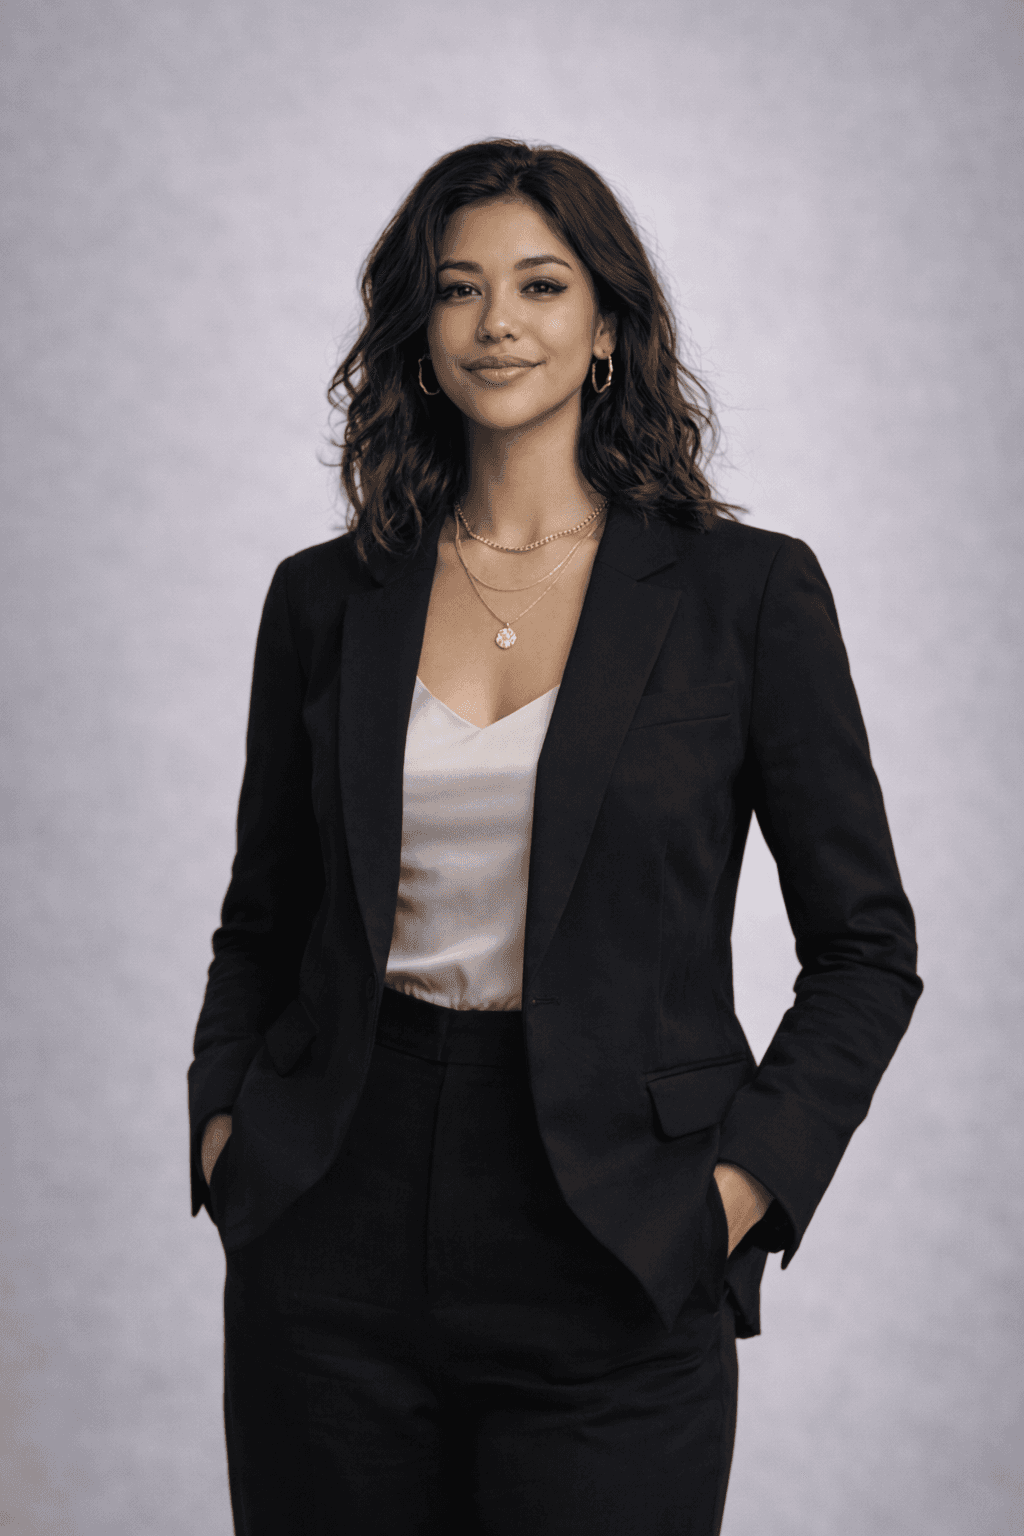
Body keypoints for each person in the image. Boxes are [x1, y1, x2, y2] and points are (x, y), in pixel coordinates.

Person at [188, 139, 922, 1536]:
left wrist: (731, 1195)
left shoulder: (743, 594)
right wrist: (230, 1135)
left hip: (616, 1231)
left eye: (540, 283)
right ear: (419, 335)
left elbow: (866, 950)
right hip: (332, 1212)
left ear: (604, 328)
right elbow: (261, 921)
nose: (498, 321)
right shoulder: (324, 600)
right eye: (458, 290)